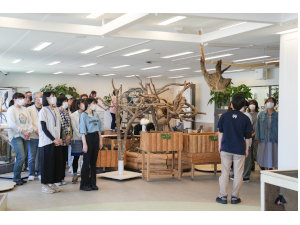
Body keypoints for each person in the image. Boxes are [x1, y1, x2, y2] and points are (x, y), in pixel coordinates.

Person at [216, 94, 252, 204]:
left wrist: (219, 145)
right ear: (243, 106)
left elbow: (220, 132)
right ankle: (235, 197)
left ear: (231, 104)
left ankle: (222, 196)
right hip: (239, 149)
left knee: (225, 173)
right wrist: (246, 149)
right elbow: (247, 137)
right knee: (238, 174)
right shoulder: (245, 118)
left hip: (226, 148)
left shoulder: (224, 116)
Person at [6, 93, 33, 186]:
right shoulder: (11, 109)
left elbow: (30, 122)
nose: (22, 99)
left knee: (23, 156)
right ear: (14, 99)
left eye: (23, 98)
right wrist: (23, 132)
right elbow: (12, 124)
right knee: (20, 156)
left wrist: (28, 132)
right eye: (20, 98)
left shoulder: (25, 109)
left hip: (26, 135)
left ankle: (19, 176)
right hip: (16, 136)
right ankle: (16, 177)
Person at [38, 92, 63, 194]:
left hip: (56, 141)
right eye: (52, 96)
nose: (54, 98)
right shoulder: (43, 110)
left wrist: (59, 138)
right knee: (47, 164)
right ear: (47, 99)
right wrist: (53, 139)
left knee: (55, 164)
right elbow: (44, 128)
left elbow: (59, 126)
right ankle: (44, 185)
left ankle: (52, 183)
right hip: (46, 142)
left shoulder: (56, 109)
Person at [79, 97, 103, 191]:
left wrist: (100, 141)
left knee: (94, 162)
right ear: (88, 104)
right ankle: (84, 184)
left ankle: (93, 183)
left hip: (96, 137)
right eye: (94, 103)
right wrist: (85, 144)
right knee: (86, 162)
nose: (95, 105)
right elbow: (82, 131)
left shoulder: (96, 115)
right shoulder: (83, 115)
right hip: (88, 138)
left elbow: (99, 129)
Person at [255, 97, 278, 170]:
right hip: (263, 137)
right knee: (264, 154)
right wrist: (257, 137)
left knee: (274, 153)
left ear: (274, 104)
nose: (269, 103)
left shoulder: (277, 115)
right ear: (265, 104)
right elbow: (257, 126)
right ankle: (265, 171)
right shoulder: (261, 114)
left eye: (271, 101)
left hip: (274, 137)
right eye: (268, 101)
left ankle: (274, 170)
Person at [55, 96, 72, 186]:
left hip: (67, 139)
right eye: (65, 101)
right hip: (60, 139)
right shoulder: (56, 111)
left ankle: (62, 178)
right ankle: (57, 179)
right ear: (60, 102)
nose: (67, 102)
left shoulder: (66, 112)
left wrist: (69, 136)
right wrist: (65, 137)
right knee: (59, 160)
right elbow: (58, 127)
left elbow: (69, 125)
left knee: (64, 160)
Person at [27, 92, 43, 181]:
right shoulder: (29, 109)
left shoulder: (45, 109)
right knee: (31, 156)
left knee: (41, 156)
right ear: (35, 98)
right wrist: (35, 130)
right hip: (33, 135)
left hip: (43, 136)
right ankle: (31, 173)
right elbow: (28, 122)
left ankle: (40, 173)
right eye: (40, 97)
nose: (42, 98)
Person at [70, 99, 85, 184]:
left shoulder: (86, 114)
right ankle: (75, 175)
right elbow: (74, 128)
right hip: (76, 138)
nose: (84, 105)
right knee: (76, 158)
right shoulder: (73, 115)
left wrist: (85, 137)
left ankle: (84, 175)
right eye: (83, 103)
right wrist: (81, 137)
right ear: (79, 105)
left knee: (85, 158)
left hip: (85, 138)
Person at [240, 100, 253, 182]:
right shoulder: (238, 114)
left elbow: (247, 130)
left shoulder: (247, 115)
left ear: (245, 106)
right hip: (240, 140)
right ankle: (241, 174)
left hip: (246, 139)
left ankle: (246, 176)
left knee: (247, 158)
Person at [248, 99, 259, 171]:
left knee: (256, 151)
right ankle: (251, 166)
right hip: (248, 135)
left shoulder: (258, 114)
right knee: (249, 151)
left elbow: (259, 125)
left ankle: (257, 163)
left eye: (253, 104)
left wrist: (255, 133)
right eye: (251, 104)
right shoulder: (246, 114)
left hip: (256, 134)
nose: (252, 105)